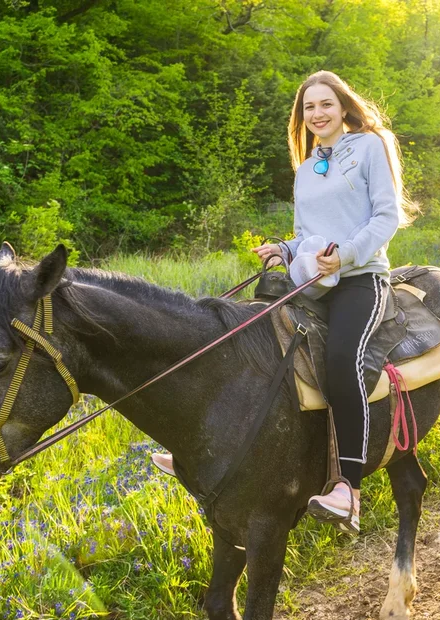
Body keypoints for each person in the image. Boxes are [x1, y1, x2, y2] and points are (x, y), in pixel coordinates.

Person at [153, 70, 412, 534]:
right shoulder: (307, 165)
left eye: (326, 104)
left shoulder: (371, 145)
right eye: (309, 107)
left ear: (343, 106)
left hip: (360, 280)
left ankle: (348, 490)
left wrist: (346, 256)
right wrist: (284, 251)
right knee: (248, 344)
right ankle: (201, 453)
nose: (317, 114)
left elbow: (386, 217)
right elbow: (304, 234)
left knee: (341, 360)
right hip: (311, 282)